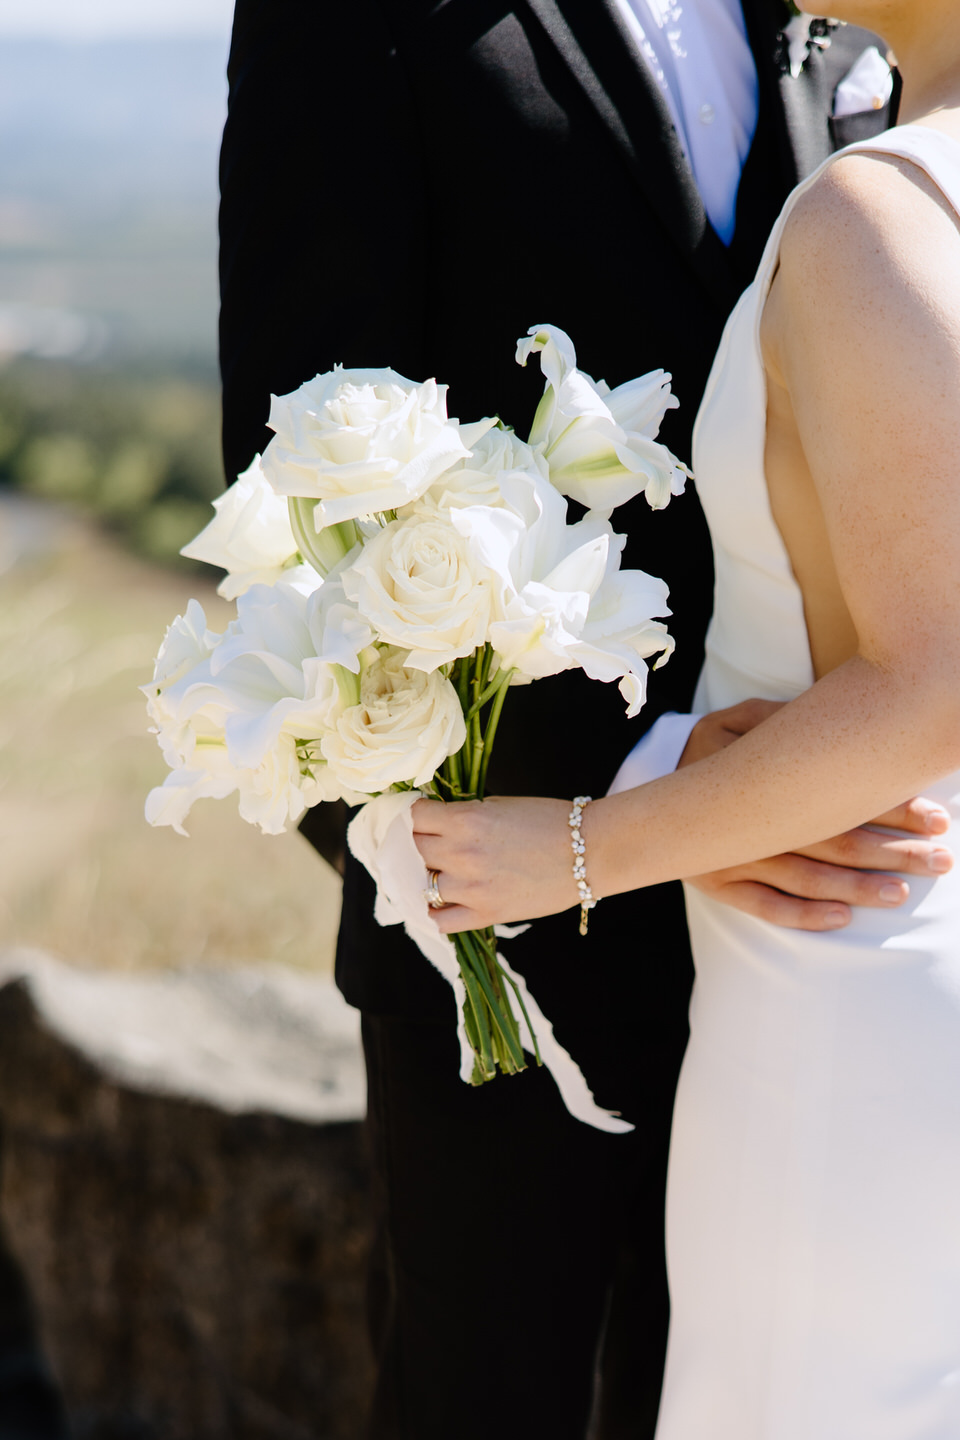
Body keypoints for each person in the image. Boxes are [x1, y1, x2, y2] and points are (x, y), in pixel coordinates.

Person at [217, 3, 946, 1435]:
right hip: (521, 954)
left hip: (839, 924)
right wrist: (636, 802)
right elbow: (305, 487)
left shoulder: (829, 22)